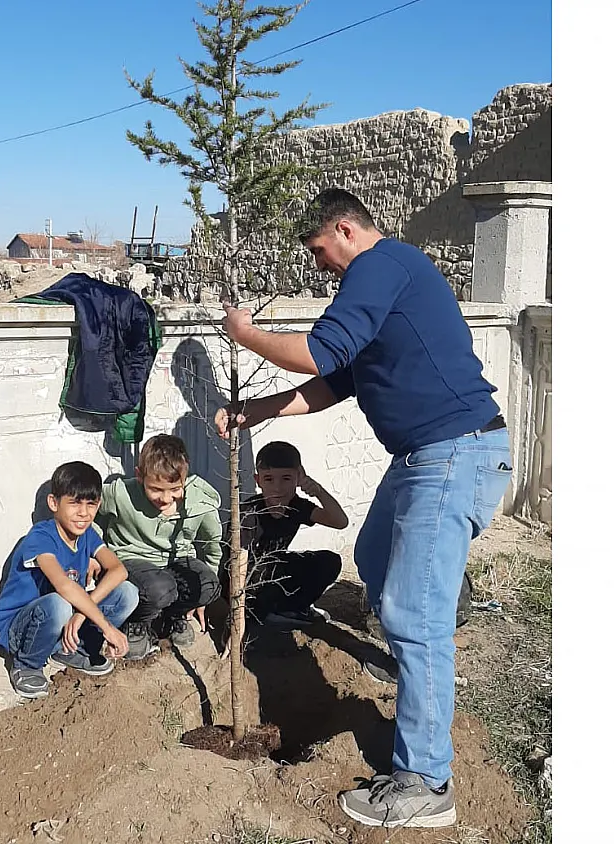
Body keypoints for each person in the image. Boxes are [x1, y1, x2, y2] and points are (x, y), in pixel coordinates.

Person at [215, 188, 513, 829]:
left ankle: (427, 781)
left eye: (320, 250)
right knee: (375, 556)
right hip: (422, 458)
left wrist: (246, 334)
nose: (320, 264)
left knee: (412, 612)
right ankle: (419, 652)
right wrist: (258, 411)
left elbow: (317, 352)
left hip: (452, 454)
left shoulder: (379, 266)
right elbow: (334, 381)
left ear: (346, 230)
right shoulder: (387, 283)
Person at [0, 461, 137, 701]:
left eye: (91, 504)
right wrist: (107, 627)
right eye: (74, 503)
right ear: (53, 503)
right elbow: (63, 585)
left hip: (64, 619)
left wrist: (80, 616)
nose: (83, 513)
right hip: (20, 629)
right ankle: (27, 664)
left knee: (127, 593)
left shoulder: (87, 534)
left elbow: (119, 570)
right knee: (59, 604)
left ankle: (70, 648)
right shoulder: (41, 537)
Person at [95, 434, 223, 659]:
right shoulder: (119, 493)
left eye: (174, 488)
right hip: (133, 558)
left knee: (208, 586)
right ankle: (139, 624)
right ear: (139, 476)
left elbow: (212, 546)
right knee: (160, 588)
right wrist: (92, 553)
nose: (166, 498)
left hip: (176, 559)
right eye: (155, 489)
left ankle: (175, 616)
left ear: (185, 477)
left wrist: (202, 599)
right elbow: (89, 512)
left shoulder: (199, 501)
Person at [224, 440, 348, 629]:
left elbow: (340, 522)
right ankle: (262, 615)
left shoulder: (296, 506)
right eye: (269, 479)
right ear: (258, 481)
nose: (277, 487)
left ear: (298, 478)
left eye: (286, 479)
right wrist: (236, 615)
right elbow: (237, 564)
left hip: (275, 569)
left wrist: (317, 490)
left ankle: (293, 609)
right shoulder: (249, 513)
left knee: (329, 561)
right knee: (264, 571)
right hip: (245, 579)